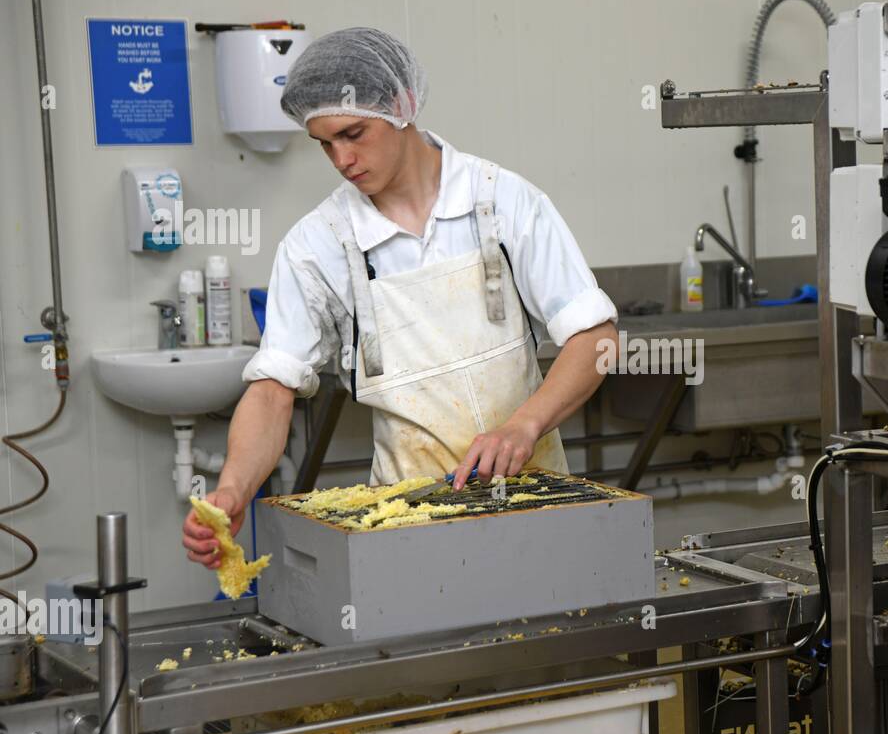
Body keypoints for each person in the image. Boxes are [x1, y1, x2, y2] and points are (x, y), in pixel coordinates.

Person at [182, 28, 618, 570]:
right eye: (324, 144)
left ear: (402, 107)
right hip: (405, 522)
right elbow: (274, 387)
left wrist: (523, 426)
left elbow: (594, 338)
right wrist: (232, 488)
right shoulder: (316, 245)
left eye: (353, 133)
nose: (341, 159)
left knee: (546, 642)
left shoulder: (502, 201)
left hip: (533, 501)